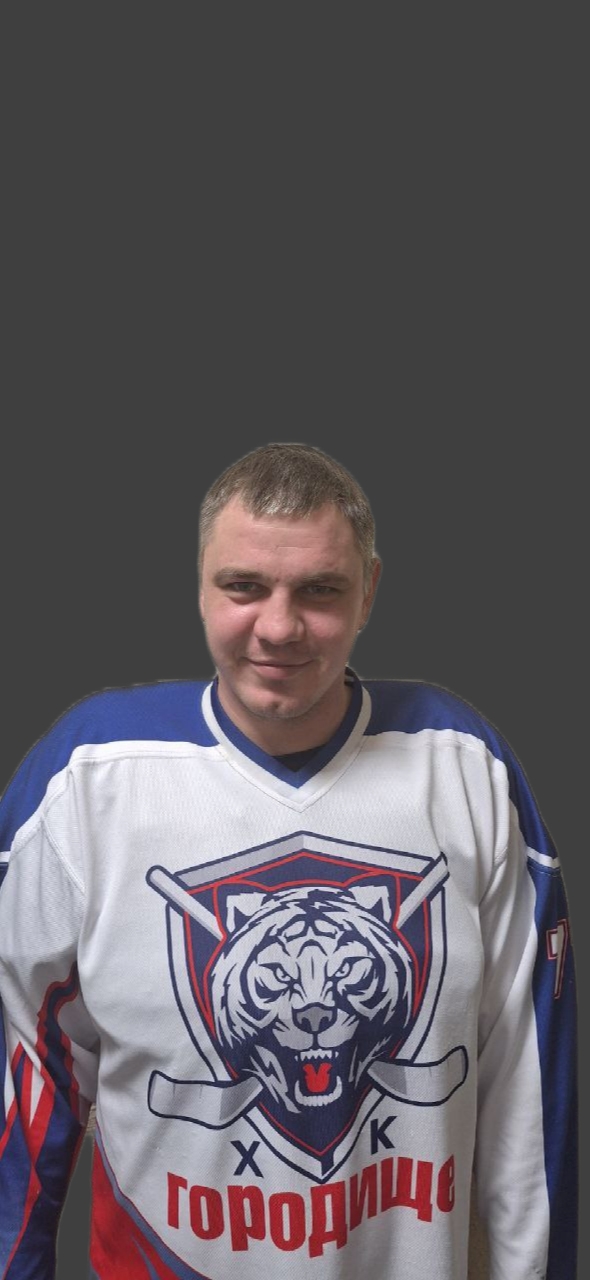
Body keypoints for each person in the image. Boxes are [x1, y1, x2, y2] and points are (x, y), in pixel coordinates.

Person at [0, 442, 578, 1279]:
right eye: (244, 587)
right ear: (200, 584)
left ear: (369, 590)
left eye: (320, 590)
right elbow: (25, 1081)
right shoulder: (87, 780)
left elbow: (528, 1098)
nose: (278, 627)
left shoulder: (466, 770)